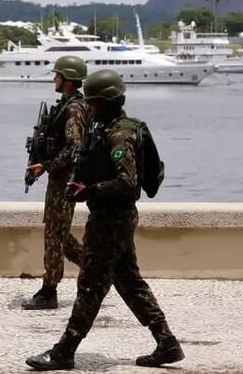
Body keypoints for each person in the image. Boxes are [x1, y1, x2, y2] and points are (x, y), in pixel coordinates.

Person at [26, 69, 183, 371]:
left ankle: (64, 351)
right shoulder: (114, 128)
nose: (91, 109)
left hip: (110, 221)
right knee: (129, 282)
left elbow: (127, 181)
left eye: (94, 104)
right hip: (115, 218)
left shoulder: (119, 135)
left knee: (89, 286)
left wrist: (91, 190)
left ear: (108, 103)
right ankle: (166, 343)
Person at [22, 55, 90, 310]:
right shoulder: (67, 105)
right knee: (59, 233)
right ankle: (99, 270)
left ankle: (49, 291)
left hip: (65, 180)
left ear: (68, 80)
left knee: (54, 234)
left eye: (57, 75)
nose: (54, 79)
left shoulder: (73, 108)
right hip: (59, 179)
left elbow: (74, 147)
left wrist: (47, 165)